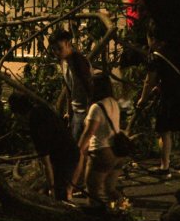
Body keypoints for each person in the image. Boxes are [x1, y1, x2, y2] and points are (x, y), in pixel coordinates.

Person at [137, 21, 180, 178]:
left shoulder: (156, 56)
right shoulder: (179, 49)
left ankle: (165, 168)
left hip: (170, 97)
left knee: (164, 131)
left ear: (152, 38)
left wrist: (142, 99)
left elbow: (149, 81)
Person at [8, 92, 80, 201]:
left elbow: (46, 161)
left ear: (18, 113)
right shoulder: (42, 109)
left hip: (65, 157)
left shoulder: (35, 124)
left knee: (59, 195)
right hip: (71, 150)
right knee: (58, 190)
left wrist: (51, 188)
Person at [74, 74, 129, 209]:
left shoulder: (96, 107)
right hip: (117, 153)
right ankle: (123, 211)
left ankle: (98, 217)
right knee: (109, 190)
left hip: (102, 152)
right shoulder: (113, 102)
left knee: (93, 191)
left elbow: (89, 132)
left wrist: (78, 149)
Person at [49, 29, 92, 142]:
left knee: (78, 147)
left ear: (68, 43)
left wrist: (89, 114)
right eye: (54, 49)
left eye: (59, 48)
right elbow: (68, 89)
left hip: (84, 112)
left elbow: (90, 88)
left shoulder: (78, 61)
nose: (57, 52)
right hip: (76, 111)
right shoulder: (63, 61)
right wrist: (69, 112)